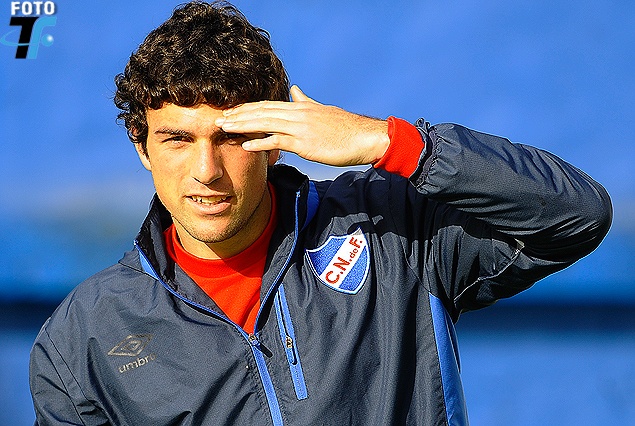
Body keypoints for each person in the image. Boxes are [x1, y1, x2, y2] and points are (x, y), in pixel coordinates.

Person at [29, 1, 612, 425]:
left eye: (233, 137)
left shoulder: (392, 230)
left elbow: (578, 215)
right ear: (142, 147)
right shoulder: (84, 337)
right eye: (178, 139)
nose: (206, 170)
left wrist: (388, 141)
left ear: (277, 141)